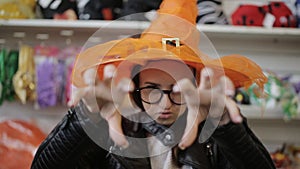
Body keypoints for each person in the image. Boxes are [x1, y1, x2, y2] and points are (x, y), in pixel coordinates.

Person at [31, 0, 276, 169]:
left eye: (178, 89)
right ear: (135, 87)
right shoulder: (113, 127)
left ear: (195, 84)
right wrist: (86, 118)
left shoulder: (211, 133)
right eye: (152, 90)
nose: (165, 104)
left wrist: (225, 125)